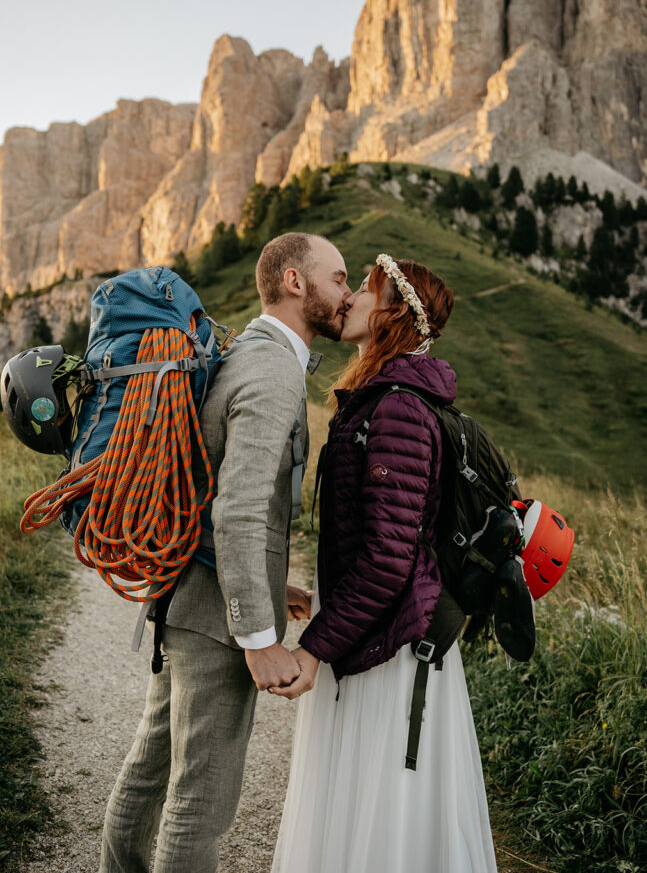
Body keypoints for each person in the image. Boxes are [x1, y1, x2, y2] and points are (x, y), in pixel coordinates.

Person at [99, 232, 351, 873]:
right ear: (296, 282)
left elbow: (232, 493)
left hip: (179, 596)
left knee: (150, 765)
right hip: (214, 624)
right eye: (340, 278)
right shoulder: (272, 369)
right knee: (199, 805)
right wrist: (259, 635)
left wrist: (275, 584)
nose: (347, 294)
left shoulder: (248, 353)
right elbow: (236, 510)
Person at [271, 254, 498, 873]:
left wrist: (314, 648)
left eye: (361, 291)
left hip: (391, 652)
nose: (346, 301)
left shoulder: (398, 406)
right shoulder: (386, 393)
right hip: (380, 635)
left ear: (394, 311)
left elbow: (388, 563)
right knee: (369, 819)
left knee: (379, 822)